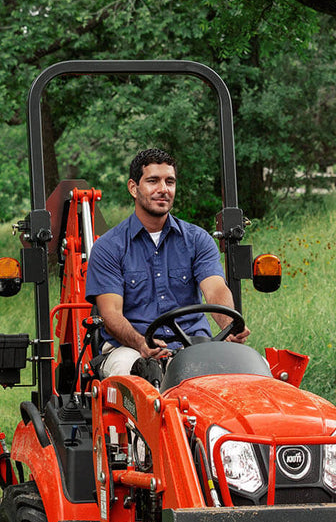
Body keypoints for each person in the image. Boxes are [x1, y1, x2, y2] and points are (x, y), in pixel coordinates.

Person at [85, 147, 249, 379]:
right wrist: (141, 343)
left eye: (169, 182)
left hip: (194, 345)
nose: (163, 189)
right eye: (153, 181)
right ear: (134, 188)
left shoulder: (197, 239)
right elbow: (111, 314)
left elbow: (216, 289)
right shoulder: (109, 247)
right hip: (130, 349)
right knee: (130, 377)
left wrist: (229, 325)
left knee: (252, 372)